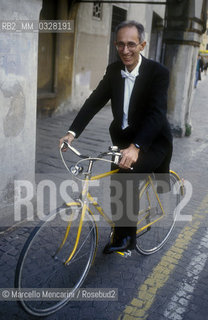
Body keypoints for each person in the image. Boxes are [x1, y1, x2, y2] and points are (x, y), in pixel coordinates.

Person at [59, 20, 173, 254]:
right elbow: (94, 101)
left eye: (131, 44)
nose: (125, 50)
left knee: (126, 180)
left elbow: (157, 114)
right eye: (120, 44)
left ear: (142, 45)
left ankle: (126, 239)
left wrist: (137, 146)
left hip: (152, 140)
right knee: (116, 185)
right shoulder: (113, 70)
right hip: (122, 139)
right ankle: (122, 225)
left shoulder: (158, 73)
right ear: (115, 45)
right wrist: (72, 133)